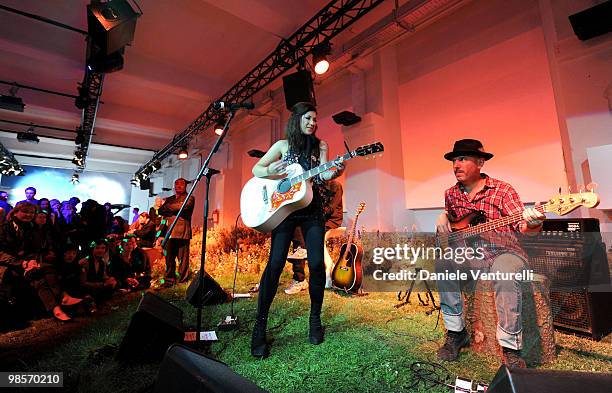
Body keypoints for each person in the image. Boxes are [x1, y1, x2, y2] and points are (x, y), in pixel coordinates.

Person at [434, 139, 545, 368]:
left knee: (503, 271)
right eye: (454, 160)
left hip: (505, 253)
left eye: (463, 159)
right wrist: (442, 216)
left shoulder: (503, 190)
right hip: (471, 256)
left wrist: (534, 223)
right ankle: (456, 333)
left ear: (480, 162)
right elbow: (454, 222)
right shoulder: (451, 194)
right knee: (444, 263)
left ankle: (510, 348)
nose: (456, 165)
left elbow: (524, 229)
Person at [250, 102, 345, 358]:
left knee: (315, 264)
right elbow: (256, 169)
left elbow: (324, 175)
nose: (313, 123)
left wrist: (336, 169)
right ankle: (260, 326)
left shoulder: (320, 146)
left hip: (311, 208)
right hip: (284, 210)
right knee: (275, 264)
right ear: (297, 120)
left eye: (315, 119)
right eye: (309, 118)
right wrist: (270, 170)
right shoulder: (282, 146)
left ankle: (315, 320)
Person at [285, 179, 344, 294]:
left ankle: (299, 277)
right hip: (318, 219)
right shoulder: (314, 185)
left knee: (306, 230)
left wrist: (312, 216)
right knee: (297, 226)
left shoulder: (335, 186)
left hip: (331, 221)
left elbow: (330, 208)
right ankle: (299, 276)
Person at [158, 178, 195, 286]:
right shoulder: (170, 199)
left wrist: (168, 208)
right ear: (174, 186)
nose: (179, 186)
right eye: (177, 184)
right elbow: (160, 210)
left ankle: (183, 281)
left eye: (181, 184)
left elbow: (184, 207)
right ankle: (169, 280)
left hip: (183, 233)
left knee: (183, 260)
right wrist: (174, 208)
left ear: (185, 186)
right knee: (169, 259)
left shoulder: (190, 198)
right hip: (170, 233)